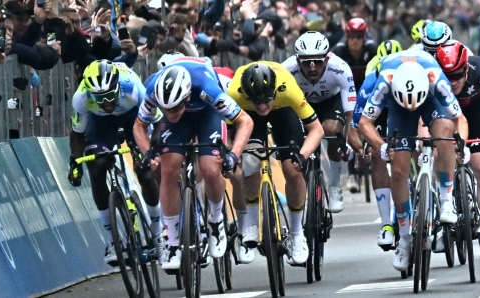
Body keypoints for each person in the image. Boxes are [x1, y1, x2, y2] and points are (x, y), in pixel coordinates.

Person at [134, 56, 254, 270]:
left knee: (209, 167)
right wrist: (146, 154)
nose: (170, 114)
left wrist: (233, 155)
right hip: (181, 123)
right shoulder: (154, 88)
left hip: (208, 113)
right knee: (169, 169)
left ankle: (216, 221)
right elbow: (139, 125)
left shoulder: (207, 87)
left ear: (187, 97)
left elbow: (245, 121)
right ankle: (172, 243)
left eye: (175, 108)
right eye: (166, 109)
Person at [358, 50, 467, 271]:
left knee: (445, 132)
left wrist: (461, 146)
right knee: (398, 171)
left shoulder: (435, 78)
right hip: (398, 108)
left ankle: (446, 200)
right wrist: (381, 146)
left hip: (430, 100)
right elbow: (364, 123)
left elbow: (459, 119)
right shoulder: (384, 82)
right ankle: (405, 240)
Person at [68, 60, 168, 267]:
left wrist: (153, 149)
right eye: (100, 97)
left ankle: (159, 236)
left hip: (133, 118)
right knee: (96, 167)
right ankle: (113, 240)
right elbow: (77, 134)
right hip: (101, 124)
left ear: (117, 86)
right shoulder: (81, 98)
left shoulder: (132, 86)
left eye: (109, 95)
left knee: (145, 171)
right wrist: (74, 164)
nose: (106, 102)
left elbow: (158, 121)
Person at [227, 62, 324, 265]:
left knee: (293, 169)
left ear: (274, 91)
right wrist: (233, 155)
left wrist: (303, 155)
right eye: (257, 101)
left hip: (284, 111)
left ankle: (297, 234)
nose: (263, 106)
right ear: (245, 94)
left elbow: (317, 130)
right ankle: (252, 223)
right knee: (251, 160)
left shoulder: (287, 87)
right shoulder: (234, 93)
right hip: (248, 117)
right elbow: (227, 133)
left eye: (266, 100)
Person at [436, 40, 480, 256]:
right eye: (447, 76)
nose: (452, 81)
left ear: (466, 68)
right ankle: (441, 219)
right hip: (446, 115)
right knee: (439, 156)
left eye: (457, 75)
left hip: (475, 113)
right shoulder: (433, 76)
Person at [282, 31, 357, 213]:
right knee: (297, 140)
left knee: (331, 131)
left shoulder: (340, 67)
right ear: (298, 61)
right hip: (301, 106)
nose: (313, 67)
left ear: (327, 58)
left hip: (331, 103)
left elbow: (350, 113)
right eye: (307, 62)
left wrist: (345, 142)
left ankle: (334, 186)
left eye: (318, 61)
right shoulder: (286, 70)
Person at [350, 39, 402, 249]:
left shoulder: (412, 72)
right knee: (378, 153)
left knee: (413, 146)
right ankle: (387, 224)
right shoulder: (371, 81)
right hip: (378, 109)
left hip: (406, 103)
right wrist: (361, 150)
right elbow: (355, 127)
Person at [332, 17, 377, 193]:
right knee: (350, 126)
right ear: (347, 37)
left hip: (367, 88)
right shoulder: (340, 51)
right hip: (347, 90)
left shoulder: (372, 49)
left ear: (364, 37)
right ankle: (351, 173)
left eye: (359, 37)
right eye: (352, 37)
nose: (355, 41)